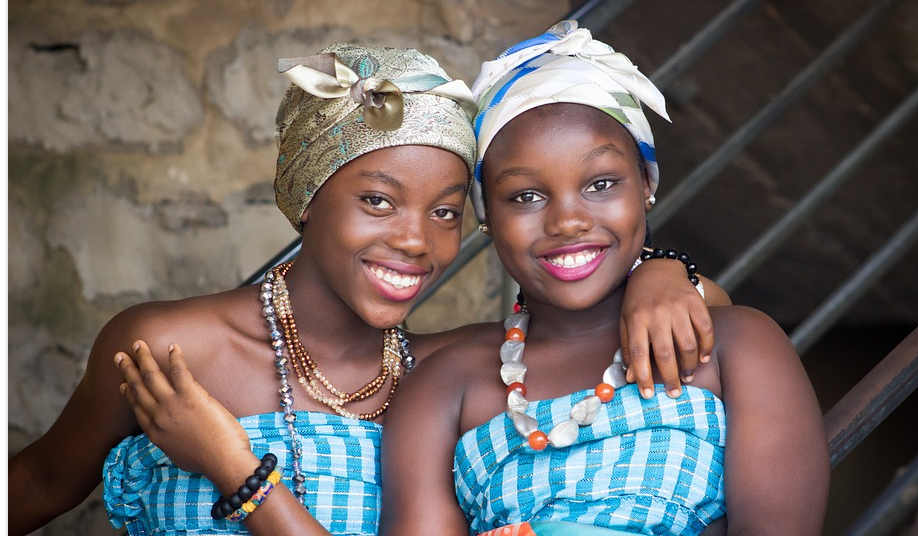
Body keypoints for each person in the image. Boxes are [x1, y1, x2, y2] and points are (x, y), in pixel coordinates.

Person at [9, 41, 724, 536]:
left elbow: (709, 315)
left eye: (446, 212)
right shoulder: (170, 351)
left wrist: (660, 271)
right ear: (305, 198)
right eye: (378, 201)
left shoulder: (458, 374)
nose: (416, 240)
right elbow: (40, 482)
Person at [378, 21, 830, 536]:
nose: (567, 221)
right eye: (525, 196)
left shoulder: (736, 346)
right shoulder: (445, 386)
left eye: (600, 183)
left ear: (645, 185)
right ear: (486, 216)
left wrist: (665, 268)